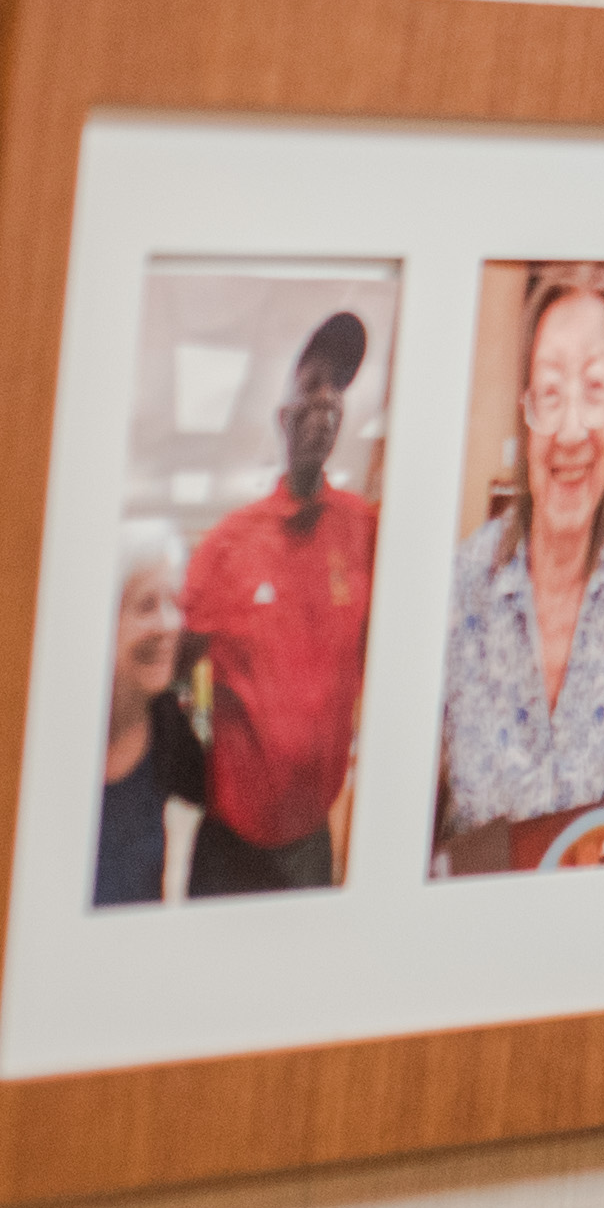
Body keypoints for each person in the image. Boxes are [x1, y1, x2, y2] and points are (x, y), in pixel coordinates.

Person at [434, 268, 604, 864]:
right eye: (550, 392)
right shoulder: (465, 582)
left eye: (594, 388)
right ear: (524, 412)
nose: (572, 429)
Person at [179, 309, 378, 894]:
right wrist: (206, 773)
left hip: (309, 847)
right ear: (282, 414)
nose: (326, 402)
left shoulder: (362, 532)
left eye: (337, 389)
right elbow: (170, 671)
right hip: (228, 843)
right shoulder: (227, 546)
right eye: (311, 385)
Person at [95, 522, 206, 908]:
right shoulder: (50, 736)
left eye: (174, 603)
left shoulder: (165, 722)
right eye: (146, 605)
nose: (170, 624)